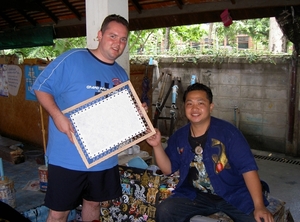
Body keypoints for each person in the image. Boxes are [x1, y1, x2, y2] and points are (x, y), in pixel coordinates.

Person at [32, 14, 147, 222]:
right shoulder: (73, 59)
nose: (118, 43)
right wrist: (57, 115)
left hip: (103, 158)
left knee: (93, 205)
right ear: (100, 35)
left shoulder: (121, 75)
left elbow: (121, 114)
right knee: (58, 213)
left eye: (123, 39)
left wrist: (136, 113)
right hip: (68, 157)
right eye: (113, 36)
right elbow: (40, 87)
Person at [146, 83, 274, 222]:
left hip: (234, 193)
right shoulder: (180, 136)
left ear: (210, 106)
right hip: (197, 195)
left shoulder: (229, 133)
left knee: (257, 220)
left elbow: (248, 169)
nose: (194, 108)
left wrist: (259, 206)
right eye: (189, 104)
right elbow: (168, 169)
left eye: (200, 103)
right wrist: (157, 145)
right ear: (184, 108)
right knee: (165, 210)